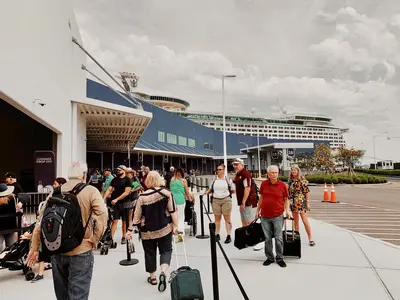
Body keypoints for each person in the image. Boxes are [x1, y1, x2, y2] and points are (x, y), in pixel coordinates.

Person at [27, 161, 107, 299]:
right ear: (83, 175)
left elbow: (41, 219)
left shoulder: (56, 191)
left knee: (62, 296)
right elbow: (102, 215)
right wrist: (95, 239)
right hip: (81, 250)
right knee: (79, 295)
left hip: (57, 250)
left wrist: (34, 247)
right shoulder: (90, 191)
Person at [126, 171, 178, 293]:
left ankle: (153, 277)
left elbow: (136, 217)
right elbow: (173, 211)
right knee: (166, 250)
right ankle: (164, 272)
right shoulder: (166, 193)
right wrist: (175, 226)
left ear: (147, 181)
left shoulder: (142, 197)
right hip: (164, 228)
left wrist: (130, 230)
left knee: (150, 253)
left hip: (147, 232)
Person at [29, 177, 67, 282]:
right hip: (48, 224)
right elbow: (43, 210)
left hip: (57, 226)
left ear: (60, 184)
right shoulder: (53, 194)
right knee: (43, 247)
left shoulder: (65, 195)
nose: (53, 185)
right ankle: (40, 273)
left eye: (55, 184)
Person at [255, 165, 292, 268]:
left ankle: (279, 258)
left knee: (278, 238)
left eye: (276, 172)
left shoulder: (282, 185)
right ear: (268, 174)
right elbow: (261, 198)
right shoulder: (264, 184)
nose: (274, 174)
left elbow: (286, 199)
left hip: (277, 215)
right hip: (265, 215)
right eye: (272, 173)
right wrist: (257, 211)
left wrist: (287, 210)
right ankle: (270, 257)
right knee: (267, 238)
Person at [204, 164, 235, 243]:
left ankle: (228, 235)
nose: (218, 171)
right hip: (216, 200)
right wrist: (206, 193)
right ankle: (217, 234)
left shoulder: (227, 179)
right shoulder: (214, 179)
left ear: (224, 170)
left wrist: (225, 193)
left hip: (226, 200)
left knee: (227, 218)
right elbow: (210, 188)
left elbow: (233, 190)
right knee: (217, 219)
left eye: (220, 169)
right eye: (217, 169)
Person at [103, 165, 133, 245]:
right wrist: (103, 199)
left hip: (125, 203)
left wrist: (116, 199)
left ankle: (124, 236)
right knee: (114, 220)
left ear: (124, 171)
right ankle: (111, 238)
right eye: (117, 170)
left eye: (119, 170)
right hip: (116, 204)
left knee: (124, 221)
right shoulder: (114, 179)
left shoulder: (128, 180)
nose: (118, 171)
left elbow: (126, 192)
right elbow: (109, 189)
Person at [288, 165, 315, 246]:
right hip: (293, 202)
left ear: (298, 171)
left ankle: (310, 238)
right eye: (292, 170)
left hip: (301, 202)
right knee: (295, 221)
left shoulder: (302, 180)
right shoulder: (290, 181)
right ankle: (297, 238)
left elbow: (306, 192)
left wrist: (307, 203)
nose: (293, 172)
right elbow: (288, 192)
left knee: (305, 220)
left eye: (294, 170)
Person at [232, 158, 257, 227]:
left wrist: (243, 202)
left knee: (250, 222)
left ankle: (252, 237)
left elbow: (247, 188)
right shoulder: (238, 174)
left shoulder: (245, 174)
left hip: (249, 202)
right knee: (244, 221)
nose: (235, 166)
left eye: (237, 164)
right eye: (234, 164)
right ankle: (246, 236)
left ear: (242, 165)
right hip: (243, 203)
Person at [169, 167, 192, 241]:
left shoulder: (172, 180)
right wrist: (190, 199)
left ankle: (174, 233)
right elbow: (187, 192)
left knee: (174, 217)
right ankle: (181, 233)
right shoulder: (184, 181)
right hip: (181, 200)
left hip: (172, 200)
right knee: (181, 217)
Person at [0, 183, 17, 252]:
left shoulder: (11, 198)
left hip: (9, 227)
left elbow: (13, 214)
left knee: (12, 247)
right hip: (1, 227)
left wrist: (15, 229)